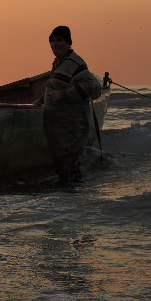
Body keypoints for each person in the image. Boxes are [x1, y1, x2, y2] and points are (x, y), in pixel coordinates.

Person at [39, 26, 102, 186]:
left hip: (70, 125)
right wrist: (39, 101)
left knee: (69, 163)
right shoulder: (61, 63)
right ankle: (70, 201)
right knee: (64, 164)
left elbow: (88, 85)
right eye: (52, 41)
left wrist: (63, 94)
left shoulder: (74, 62)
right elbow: (55, 86)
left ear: (68, 42)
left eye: (59, 40)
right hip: (59, 127)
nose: (54, 44)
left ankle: (73, 200)